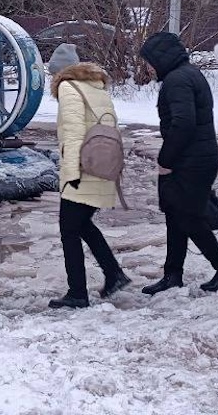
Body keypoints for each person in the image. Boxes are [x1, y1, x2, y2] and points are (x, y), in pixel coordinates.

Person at [139, 32, 218, 294]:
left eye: (149, 61)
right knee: (176, 214)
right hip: (197, 156)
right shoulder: (186, 75)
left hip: (191, 160)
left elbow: (184, 123)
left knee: (188, 217)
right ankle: (173, 274)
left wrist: (166, 160)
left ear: (161, 58)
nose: (148, 67)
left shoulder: (178, 80)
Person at [45, 43, 131, 309]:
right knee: (82, 225)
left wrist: (70, 174)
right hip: (101, 165)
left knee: (68, 229)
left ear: (59, 72)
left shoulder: (68, 88)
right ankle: (113, 273)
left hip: (82, 170)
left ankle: (78, 293)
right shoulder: (97, 87)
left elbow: (72, 135)